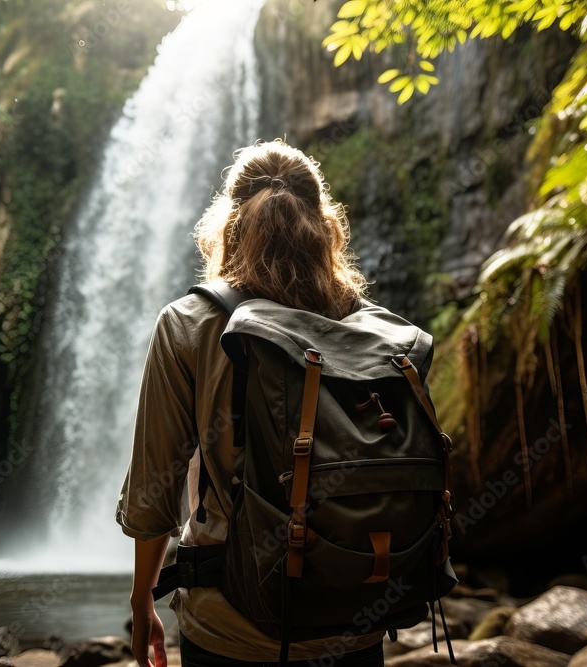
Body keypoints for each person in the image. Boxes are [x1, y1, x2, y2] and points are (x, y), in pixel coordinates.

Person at [115, 139, 387, 666]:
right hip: (353, 616)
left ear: (229, 225)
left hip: (229, 624)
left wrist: (142, 597)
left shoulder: (188, 325)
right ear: (325, 226)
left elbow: (154, 494)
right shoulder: (367, 326)